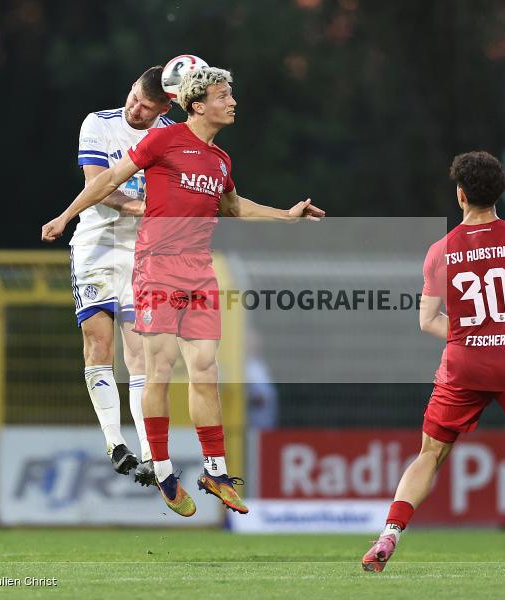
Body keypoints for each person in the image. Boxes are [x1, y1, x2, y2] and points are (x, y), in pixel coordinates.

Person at [42, 67, 324, 517]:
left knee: (206, 369)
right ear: (197, 105)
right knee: (159, 368)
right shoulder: (160, 140)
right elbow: (108, 180)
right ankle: (165, 470)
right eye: (223, 95)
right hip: (156, 267)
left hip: (199, 273)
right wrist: (64, 216)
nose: (232, 102)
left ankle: (214, 470)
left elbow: (233, 206)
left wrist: (284, 215)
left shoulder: (220, 160)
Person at [361, 151, 505, 575]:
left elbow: (427, 320)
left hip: (461, 365)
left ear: (461, 195)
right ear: (498, 193)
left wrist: (469, 333)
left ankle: (389, 533)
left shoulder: (439, 251)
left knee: (430, 453)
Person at [57, 66, 173, 486]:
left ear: (166, 107)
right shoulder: (99, 124)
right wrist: (149, 208)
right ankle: (115, 443)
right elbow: (100, 187)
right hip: (95, 245)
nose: (135, 109)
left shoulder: (171, 136)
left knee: (140, 353)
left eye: (147, 106)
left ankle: (148, 454)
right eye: (134, 98)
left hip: (143, 253)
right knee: (97, 342)